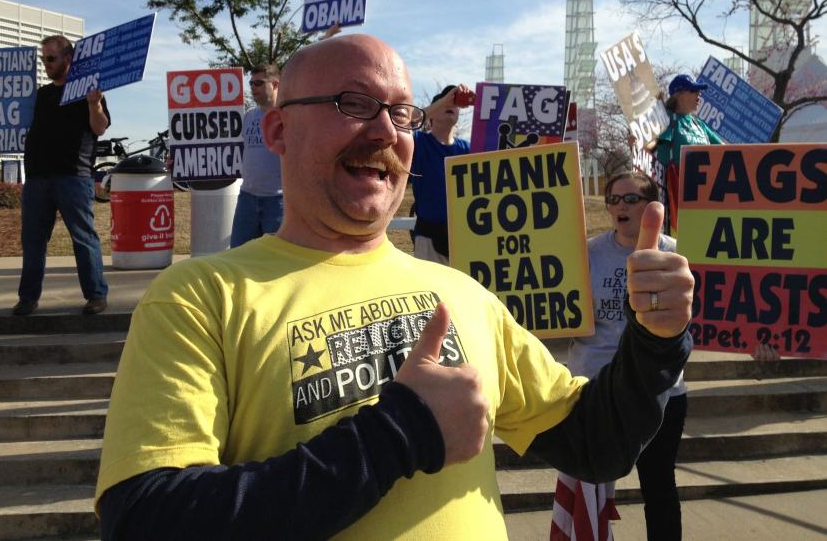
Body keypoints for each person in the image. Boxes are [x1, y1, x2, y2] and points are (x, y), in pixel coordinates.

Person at [96, 34, 694, 540]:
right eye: (352, 103)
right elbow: (146, 517)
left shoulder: (464, 295)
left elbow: (597, 444)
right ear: (277, 130)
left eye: (402, 114)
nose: (385, 130)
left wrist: (657, 340)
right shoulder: (197, 298)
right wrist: (395, 435)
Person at [552, 171, 686, 541]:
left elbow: (710, 317)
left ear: (651, 205)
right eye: (614, 199)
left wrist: (756, 343)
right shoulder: (586, 254)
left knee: (659, 486)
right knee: (587, 491)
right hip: (594, 391)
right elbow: (562, 314)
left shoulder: (677, 254)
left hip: (660, 393)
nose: (619, 206)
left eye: (630, 199)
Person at [12, 35, 110, 317]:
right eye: (43, 58)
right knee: (32, 240)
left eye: (51, 58)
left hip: (73, 176)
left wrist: (95, 104)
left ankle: (96, 295)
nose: (46, 64)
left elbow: (100, 127)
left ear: (68, 59)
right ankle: (28, 299)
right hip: (37, 179)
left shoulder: (87, 91)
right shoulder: (40, 94)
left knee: (83, 237)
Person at [411, 83, 474, 264]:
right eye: (443, 103)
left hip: (465, 238)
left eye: (454, 104)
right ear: (431, 117)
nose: (450, 105)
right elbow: (407, 122)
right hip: (429, 238)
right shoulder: (420, 143)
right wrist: (445, 100)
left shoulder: (469, 149)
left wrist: (481, 103)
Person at [654, 74, 724, 232]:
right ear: (678, 94)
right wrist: (637, 144)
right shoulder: (668, 119)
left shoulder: (699, 124)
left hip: (706, 198)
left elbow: (726, 150)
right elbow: (652, 143)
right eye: (693, 90)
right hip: (677, 199)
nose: (699, 95)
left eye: (699, 92)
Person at [230, 63, 283, 248]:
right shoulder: (248, 116)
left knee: (276, 260)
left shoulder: (288, 115)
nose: (253, 88)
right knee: (238, 256)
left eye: (259, 83)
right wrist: (183, 168)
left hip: (278, 201)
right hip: (247, 199)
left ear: (275, 84)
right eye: (251, 83)